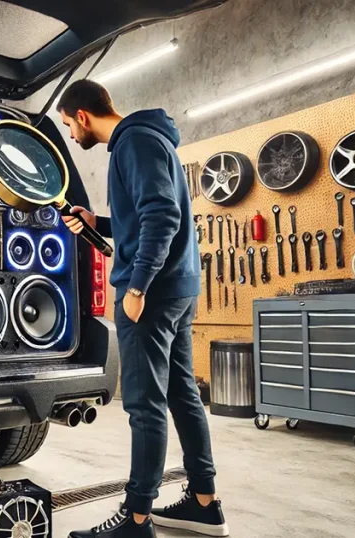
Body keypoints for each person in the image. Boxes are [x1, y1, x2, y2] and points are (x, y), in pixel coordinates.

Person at [58, 80, 228, 538]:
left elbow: (163, 217)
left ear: (84, 116)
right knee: (180, 396)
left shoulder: (133, 141)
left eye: (69, 126)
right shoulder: (149, 139)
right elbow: (146, 215)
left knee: (143, 405)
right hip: (177, 287)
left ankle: (135, 520)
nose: (72, 136)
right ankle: (204, 503)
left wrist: (137, 287)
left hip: (152, 294)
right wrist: (100, 223)